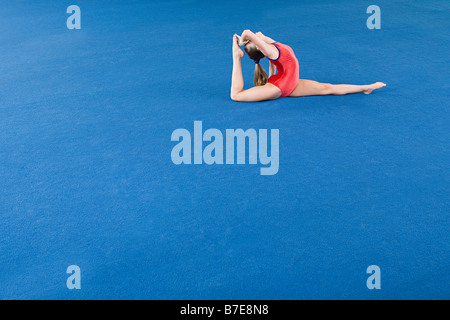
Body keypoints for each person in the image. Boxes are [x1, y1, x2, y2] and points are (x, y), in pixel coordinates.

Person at [231, 30, 386, 102]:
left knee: (328, 88)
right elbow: (247, 32)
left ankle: (366, 87)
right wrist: (241, 42)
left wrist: (258, 38)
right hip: (278, 88)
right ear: (259, 47)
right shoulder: (269, 50)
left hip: (290, 83)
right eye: (255, 41)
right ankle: (236, 57)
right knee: (236, 95)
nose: (257, 36)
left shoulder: (270, 43)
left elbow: (258, 35)